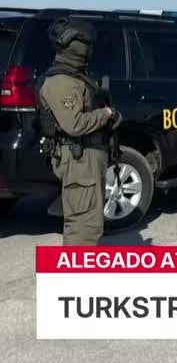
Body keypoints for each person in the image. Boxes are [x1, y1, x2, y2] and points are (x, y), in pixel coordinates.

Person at [37, 19, 120, 246]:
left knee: (90, 221)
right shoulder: (61, 81)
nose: (90, 50)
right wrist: (105, 114)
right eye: (87, 45)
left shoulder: (76, 77)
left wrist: (109, 118)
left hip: (87, 157)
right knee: (83, 228)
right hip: (79, 159)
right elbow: (74, 124)